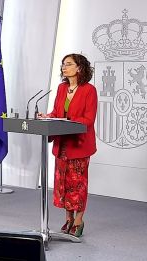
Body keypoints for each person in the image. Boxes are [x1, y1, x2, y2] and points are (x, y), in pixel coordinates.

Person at [37, 53, 97, 237]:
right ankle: (68, 218)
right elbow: (56, 112)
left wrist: (66, 120)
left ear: (79, 68)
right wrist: (47, 117)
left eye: (68, 64)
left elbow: (88, 119)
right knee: (63, 184)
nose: (64, 67)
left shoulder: (89, 90)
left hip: (78, 145)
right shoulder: (62, 88)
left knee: (77, 185)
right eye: (63, 64)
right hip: (62, 144)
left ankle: (79, 220)